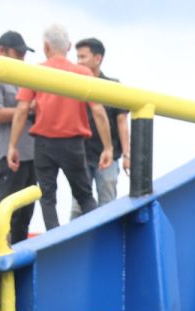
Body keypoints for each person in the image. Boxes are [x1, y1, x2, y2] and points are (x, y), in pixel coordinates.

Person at [7, 25, 112, 231]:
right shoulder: (83, 73)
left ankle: (54, 240)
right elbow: (99, 112)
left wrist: (12, 145)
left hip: (44, 144)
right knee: (84, 195)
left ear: (46, 47)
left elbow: (21, 111)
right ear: (69, 47)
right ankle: (101, 236)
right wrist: (108, 147)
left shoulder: (36, 71)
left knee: (47, 197)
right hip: (73, 143)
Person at [0, 31, 36, 245]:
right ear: (2, 51)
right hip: (8, 155)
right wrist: (27, 109)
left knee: (25, 214)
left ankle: (20, 258)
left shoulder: (23, 79)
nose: (22, 58)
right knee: (7, 210)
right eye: (18, 53)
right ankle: (0, 254)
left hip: (32, 153)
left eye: (23, 54)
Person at [71, 37, 128, 216]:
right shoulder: (72, 84)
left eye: (83, 57)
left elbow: (122, 122)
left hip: (108, 156)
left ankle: (106, 242)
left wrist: (127, 154)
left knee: (107, 204)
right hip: (80, 155)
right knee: (78, 207)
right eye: (77, 57)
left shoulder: (113, 86)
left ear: (98, 58)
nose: (79, 62)